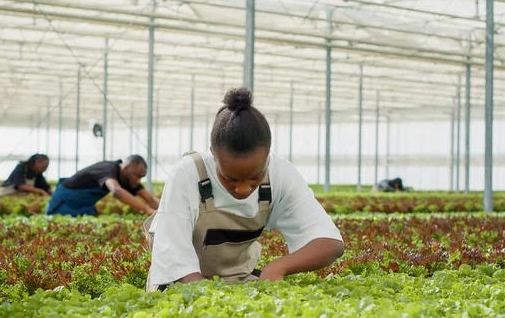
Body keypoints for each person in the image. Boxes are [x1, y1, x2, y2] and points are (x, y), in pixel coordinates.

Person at [145, 87, 344, 292]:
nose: (243, 189)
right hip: (180, 285)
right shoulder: (187, 174)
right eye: (230, 179)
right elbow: (174, 261)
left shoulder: (280, 173)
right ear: (213, 154)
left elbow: (330, 242)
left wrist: (277, 267)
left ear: (268, 156)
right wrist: (214, 302)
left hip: (240, 279)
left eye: (256, 176)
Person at [45, 155, 159, 217]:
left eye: (141, 177)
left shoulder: (128, 178)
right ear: (126, 169)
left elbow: (150, 198)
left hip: (84, 205)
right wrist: (146, 209)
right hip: (65, 199)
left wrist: (165, 211)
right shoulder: (108, 169)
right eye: (137, 176)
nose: (138, 180)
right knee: (53, 218)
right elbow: (116, 191)